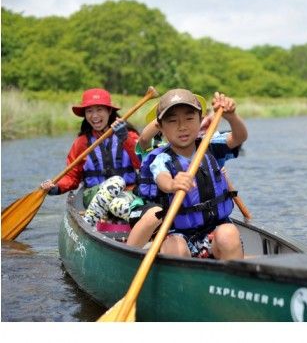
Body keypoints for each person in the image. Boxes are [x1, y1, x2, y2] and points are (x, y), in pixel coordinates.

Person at [127, 89, 248, 260]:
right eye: (173, 121)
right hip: (179, 235)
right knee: (173, 246)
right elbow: (162, 179)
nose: (182, 127)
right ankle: (182, 283)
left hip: (212, 233)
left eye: (190, 119)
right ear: (160, 128)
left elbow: (239, 137)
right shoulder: (161, 158)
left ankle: (235, 282)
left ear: (200, 120)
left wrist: (232, 117)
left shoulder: (211, 146)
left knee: (229, 233)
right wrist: (172, 184)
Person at [40, 88, 141, 224]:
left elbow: (143, 163)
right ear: (85, 115)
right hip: (93, 193)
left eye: (99, 109)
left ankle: (129, 220)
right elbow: (71, 177)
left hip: (127, 192)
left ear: (109, 111)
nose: (94, 116)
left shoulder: (128, 136)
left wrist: (126, 139)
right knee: (116, 181)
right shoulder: (82, 142)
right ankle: (96, 219)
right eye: (89, 111)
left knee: (117, 204)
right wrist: (56, 187)